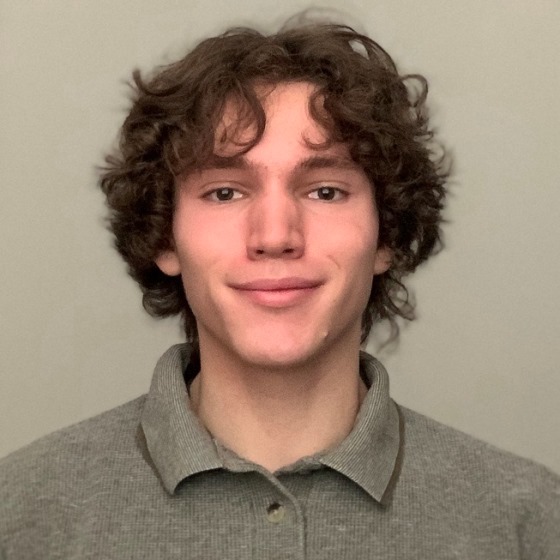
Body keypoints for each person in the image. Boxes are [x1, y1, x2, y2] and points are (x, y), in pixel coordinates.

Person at [1, 19, 558, 560]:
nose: (275, 236)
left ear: (386, 233)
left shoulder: (527, 520)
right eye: (224, 192)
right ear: (164, 237)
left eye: (324, 191)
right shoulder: (21, 513)